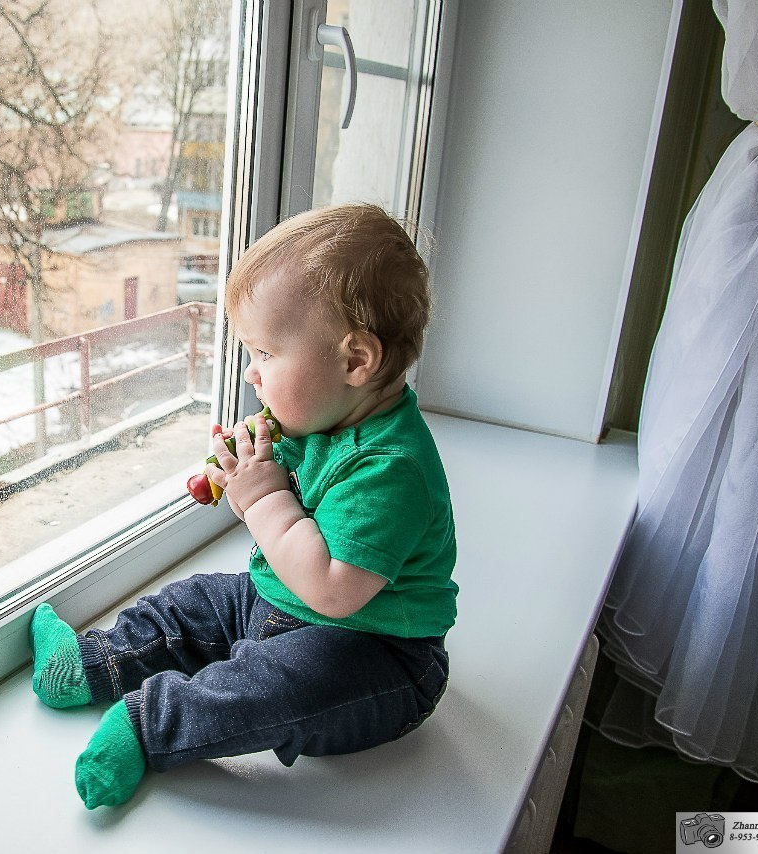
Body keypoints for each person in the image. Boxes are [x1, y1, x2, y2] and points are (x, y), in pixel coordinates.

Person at [29, 203, 458, 809]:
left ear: (356, 361)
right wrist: (251, 463)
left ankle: (151, 726)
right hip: (281, 603)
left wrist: (261, 495)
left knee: (277, 687)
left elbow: (333, 590)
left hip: (376, 653)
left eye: (266, 354)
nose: (253, 376)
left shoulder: (391, 468)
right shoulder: (325, 412)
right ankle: (91, 664)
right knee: (196, 601)